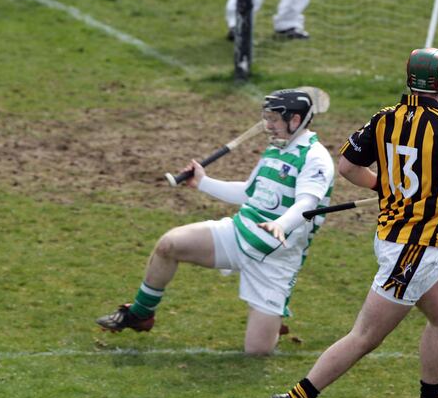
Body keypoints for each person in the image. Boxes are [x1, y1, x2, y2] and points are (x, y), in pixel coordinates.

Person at [267, 48, 438, 398]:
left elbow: (347, 166)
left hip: (400, 241)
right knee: (364, 336)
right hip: (412, 251)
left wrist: (383, 187)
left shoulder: (383, 119)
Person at [96, 90, 335, 355]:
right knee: (169, 244)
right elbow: (248, 192)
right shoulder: (275, 150)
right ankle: (140, 314)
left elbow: (307, 203)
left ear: (296, 120)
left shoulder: (315, 157)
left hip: (275, 258)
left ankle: (273, 319)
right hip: (240, 233)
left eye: (276, 119)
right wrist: (203, 182)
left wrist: (282, 225)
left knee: (257, 352)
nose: (269, 125)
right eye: (268, 118)